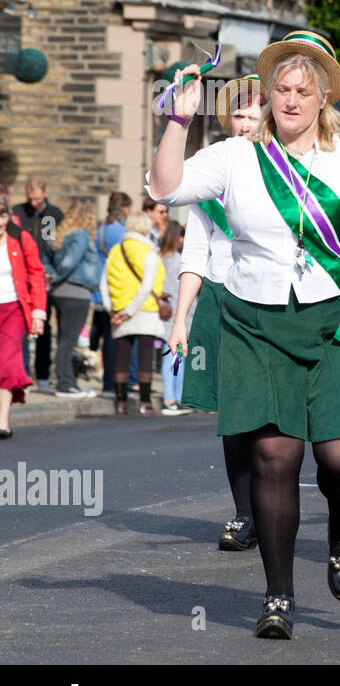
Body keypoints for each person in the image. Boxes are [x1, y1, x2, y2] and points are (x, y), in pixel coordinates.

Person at [149, 30, 340, 639]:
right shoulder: (237, 156)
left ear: (323, 97)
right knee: (273, 457)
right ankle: (277, 594)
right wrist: (177, 121)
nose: (289, 98)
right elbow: (167, 188)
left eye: (303, 90)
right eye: (281, 87)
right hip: (258, 319)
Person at [167, 74, 262, 550]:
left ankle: (274, 502)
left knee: (275, 416)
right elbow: (195, 252)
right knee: (233, 416)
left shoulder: (292, 166)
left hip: (272, 301)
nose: (244, 123)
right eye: (238, 115)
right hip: (221, 300)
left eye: (252, 113)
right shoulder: (215, 170)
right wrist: (181, 318)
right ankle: (245, 514)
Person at [100, 211, 166, 415]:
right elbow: (146, 287)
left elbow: (103, 284)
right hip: (144, 309)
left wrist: (114, 310)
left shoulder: (115, 251)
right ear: (146, 227)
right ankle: (144, 402)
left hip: (118, 308)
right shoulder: (149, 252)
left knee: (122, 355)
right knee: (145, 356)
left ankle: (121, 403)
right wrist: (129, 312)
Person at [0, 198, 46, 439]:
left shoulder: (19, 237)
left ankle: (2, 419)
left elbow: (36, 273)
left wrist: (39, 312)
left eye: (3, 217)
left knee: (7, 361)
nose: (0, 223)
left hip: (14, 308)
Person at [48, 198, 100, 398]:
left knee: (64, 339)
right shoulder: (81, 235)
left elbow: (58, 260)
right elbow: (68, 263)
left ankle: (66, 381)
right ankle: (66, 384)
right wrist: (57, 278)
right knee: (68, 341)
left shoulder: (65, 234)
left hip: (62, 293)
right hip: (75, 292)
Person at [15, 175, 61, 393]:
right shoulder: (18, 212)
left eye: (36, 198)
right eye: (30, 198)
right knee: (21, 326)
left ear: (45, 193)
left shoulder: (51, 214)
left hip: (44, 276)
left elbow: (51, 246)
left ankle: (43, 375)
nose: (33, 203)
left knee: (44, 326)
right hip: (22, 274)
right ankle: (22, 373)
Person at [92, 193, 132, 397]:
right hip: (114, 292)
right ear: (124, 209)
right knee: (113, 342)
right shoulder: (120, 232)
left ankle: (108, 383)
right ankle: (111, 385)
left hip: (99, 294)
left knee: (104, 341)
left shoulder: (100, 230)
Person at [158, 221, 190, 416]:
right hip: (179, 314)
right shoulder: (179, 261)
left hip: (164, 312)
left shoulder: (159, 257)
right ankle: (172, 398)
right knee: (175, 356)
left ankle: (175, 397)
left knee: (174, 355)